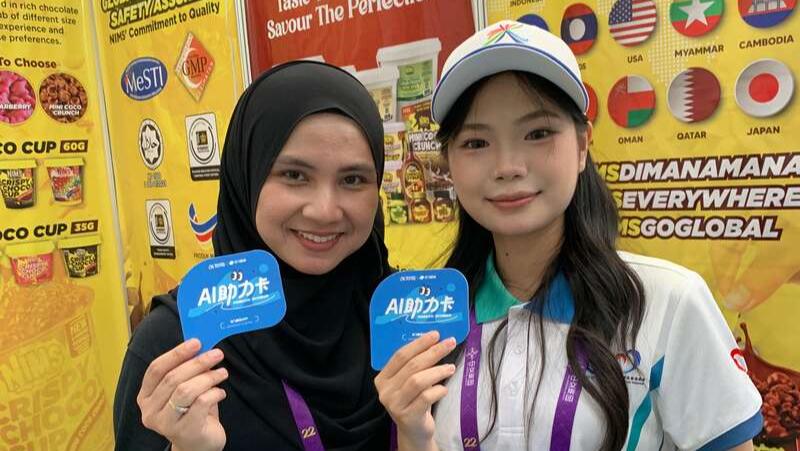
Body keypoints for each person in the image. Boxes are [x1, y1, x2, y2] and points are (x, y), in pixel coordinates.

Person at [375, 21, 763, 451]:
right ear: (448, 162)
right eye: (476, 142)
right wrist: (412, 432)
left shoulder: (668, 301)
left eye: (538, 133)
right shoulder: (432, 314)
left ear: (582, 145)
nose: (508, 166)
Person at [114, 61, 392, 451]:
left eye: (352, 180)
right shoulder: (178, 344)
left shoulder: (402, 317)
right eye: (295, 175)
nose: (325, 210)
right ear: (247, 174)